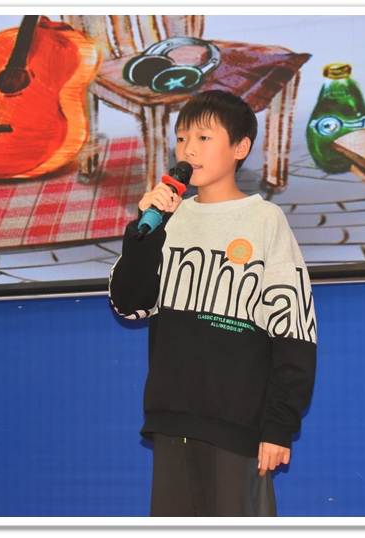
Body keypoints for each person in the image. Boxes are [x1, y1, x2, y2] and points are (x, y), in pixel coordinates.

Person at [108, 90, 317, 517]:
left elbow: (293, 330)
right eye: (182, 138)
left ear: (240, 147)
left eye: (203, 138)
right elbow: (129, 304)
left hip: (239, 425)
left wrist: (279, 425)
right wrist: (144, 233)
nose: (188, 150)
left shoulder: (265, 220)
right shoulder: (167, 219)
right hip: (172, 419)